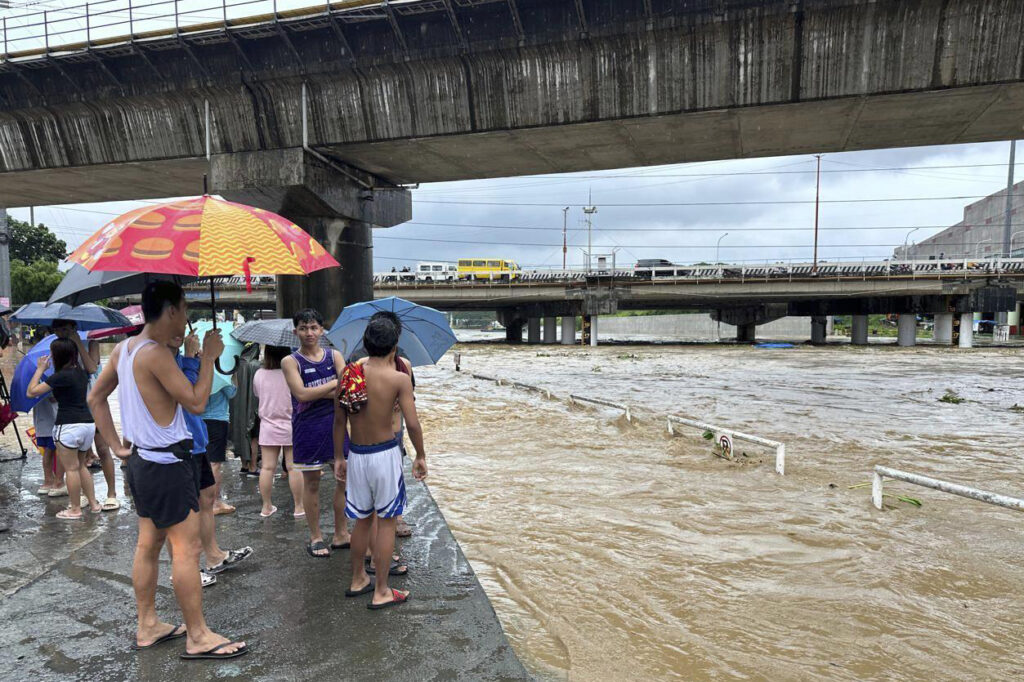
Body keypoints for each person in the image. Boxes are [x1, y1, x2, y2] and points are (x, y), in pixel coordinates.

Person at [88, 281, 247, 659]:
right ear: (171, 310)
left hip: (142, 461)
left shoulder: (126, 350)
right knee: (186, 548)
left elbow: (95, 397)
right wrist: (208, 357)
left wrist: (115, 445)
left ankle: (147, 625)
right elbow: (195, 402)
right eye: (185, 308)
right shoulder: (156, 354)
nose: (187, 316)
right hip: (168, 464)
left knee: (148, 544)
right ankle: (198, 635)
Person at [335, 315, 427, 609]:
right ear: (395, 345)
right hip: (385, 453)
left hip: (357, 453)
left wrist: (339, 455)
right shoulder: (399, 379)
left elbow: (339, 422)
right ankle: (382, 590)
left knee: (362, 520)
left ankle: (358, 578)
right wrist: (421, 455)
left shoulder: (350, 374)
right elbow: (411, 423)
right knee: (386, 522)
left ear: (365, 343)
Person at [175, 332, 253, 586]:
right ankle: (186, 568)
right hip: (179, 444)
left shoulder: (179, 357)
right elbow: (194, 401)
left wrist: (199, 359)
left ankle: (214, 556)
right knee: (184, 511)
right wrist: (200, 358)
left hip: (197, 440)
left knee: (207, 497)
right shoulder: (160, 357)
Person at [281, 309, 348, 557]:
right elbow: (301, 394)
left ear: (321, 330)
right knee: (312, 484)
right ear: (295, 331)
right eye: (303, 328)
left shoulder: (335, 355)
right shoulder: (290, 361)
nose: (309, 333)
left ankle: (341, 533)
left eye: (313, 327)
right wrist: (333, 384)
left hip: (337, 427)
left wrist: (318, 390)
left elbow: (347, 389)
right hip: (307, 430)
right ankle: (316, 536)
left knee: (344, 480)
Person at [27, 336, 101, 519]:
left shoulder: (58, 376)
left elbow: (31, 392)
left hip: (68, 426)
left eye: (52, 353)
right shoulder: (81, 373)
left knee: (71, 469)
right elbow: (64, 394)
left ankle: (75, 509)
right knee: (82, 466)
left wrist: (40, 369)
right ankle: (93, 504)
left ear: (58, 355)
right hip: (87, 424)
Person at [52, 319, 120, 511]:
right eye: (58, 329)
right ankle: (84, 495)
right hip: (74, 408)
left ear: (74, 328)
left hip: (94, 403)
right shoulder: (58, 349)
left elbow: (91, 368)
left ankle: (111, 494)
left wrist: (77, 342)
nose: (62, 333)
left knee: (103, 449)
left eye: (66, 329)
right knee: (77, 458)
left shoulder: (92, 344)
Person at [254, 345, 302, 518]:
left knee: (267, 467)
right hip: (291, 424)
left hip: (268, 425)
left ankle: (266, 507)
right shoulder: (292, 372)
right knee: (293, 466)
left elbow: (258, 394)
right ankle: (298, 507)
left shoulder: (259, 374)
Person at [201, 380, 237, 516]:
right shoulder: (220, 377)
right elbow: (232, 392)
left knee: (200, 460)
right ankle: (214, 502)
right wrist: (233, 379)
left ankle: (201, 500)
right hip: (217, 419)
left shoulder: (196, 370)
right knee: (214, 462)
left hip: (198, 418)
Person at [32, 395, 65, 497]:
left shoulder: (32, 382)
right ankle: (58, 482)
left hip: (41, 422)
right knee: (59, 450)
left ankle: (48, 481)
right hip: (53, 420)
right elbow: (54, 398)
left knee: (47, 451)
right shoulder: (49, 380)